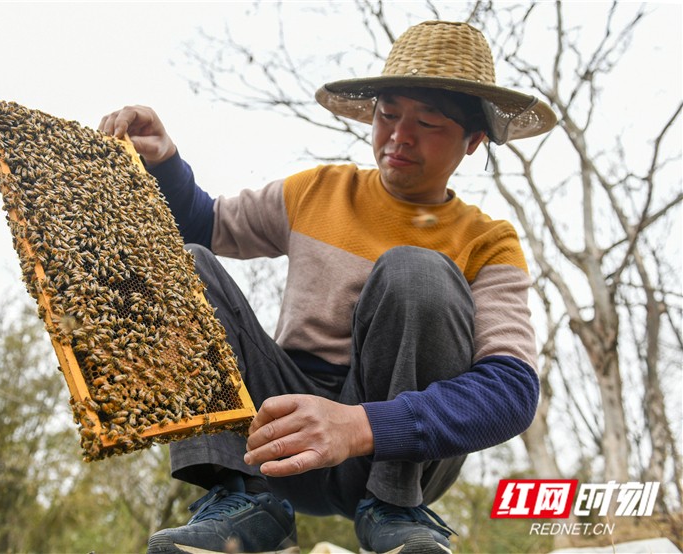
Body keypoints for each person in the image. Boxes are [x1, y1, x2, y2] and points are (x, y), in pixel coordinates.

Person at [99, 20, 556, 554]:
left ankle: (393, 507)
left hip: (402, 453)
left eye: (428, 123)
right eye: (388, 115)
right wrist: (164, 162)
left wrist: (360, 424)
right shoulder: (319, 190)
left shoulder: (489, 241)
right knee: (187, 265)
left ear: (473, 141)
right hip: (276, 432)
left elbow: (511, 392)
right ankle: (242, 500)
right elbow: (205, 225)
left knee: (417, 270)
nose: (399, 136)